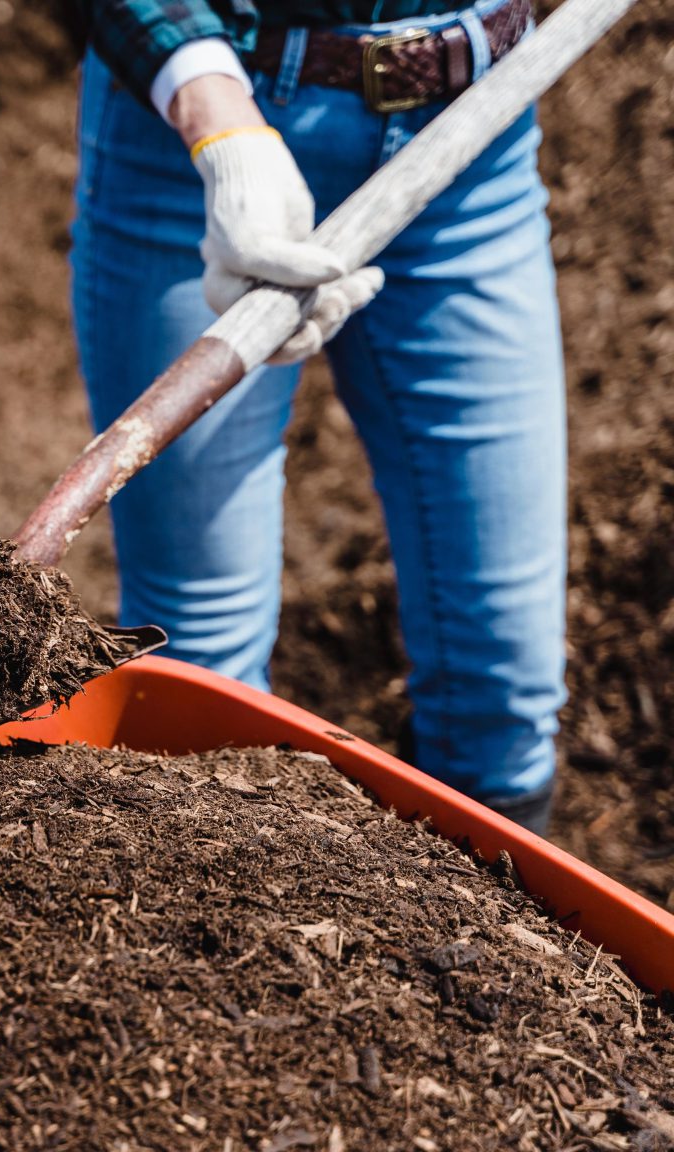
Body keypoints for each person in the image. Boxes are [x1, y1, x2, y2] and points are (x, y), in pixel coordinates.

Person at [70, 0, 561, 833]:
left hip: (475, 133)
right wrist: (218, 120)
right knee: (202, 670)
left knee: (504, 684)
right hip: (203, 138)